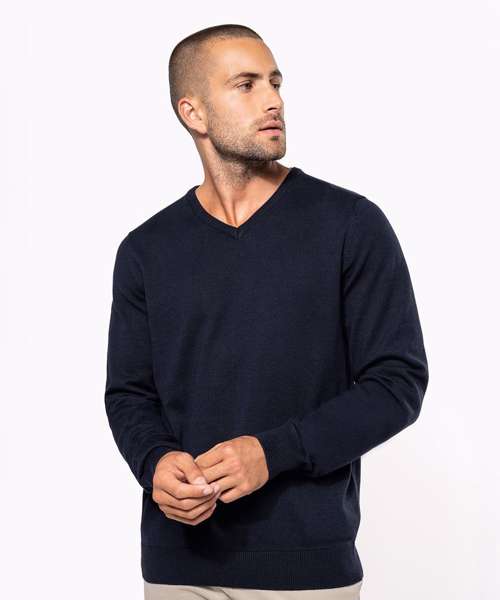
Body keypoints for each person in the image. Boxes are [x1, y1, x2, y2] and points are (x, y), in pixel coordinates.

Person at [104, 23, 429, 600]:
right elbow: (129, 393)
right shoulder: (146, 250)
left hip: (305, 569)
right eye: (246, 85)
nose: (273, 100)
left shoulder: (350, 225)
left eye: (275, 83)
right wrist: (155, 461)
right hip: (178, 567)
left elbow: (397, 383)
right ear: (193, 113)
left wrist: (272, 453)